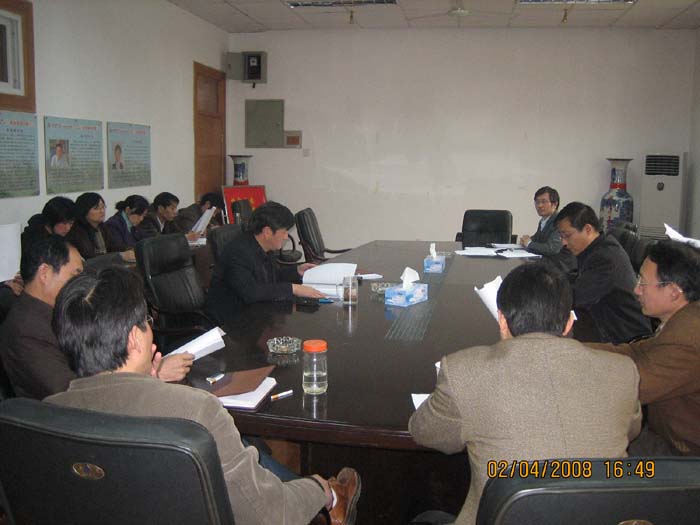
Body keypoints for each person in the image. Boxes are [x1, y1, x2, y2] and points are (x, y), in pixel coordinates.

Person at [45, 266, 361, 525]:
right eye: (146, 322)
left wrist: (147, 384)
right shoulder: (197, 412)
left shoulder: (43, 414)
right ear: (133, 340)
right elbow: (269, 515)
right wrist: (319, 488)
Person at [409, 262, 641, 525]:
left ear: (502, 320)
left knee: (426, 517)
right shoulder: (623, 371)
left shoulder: (463, 371)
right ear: (568, 323)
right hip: (603, 516)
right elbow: (631, 430)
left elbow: (425, 433)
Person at [0, 236, 192, 400]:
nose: (81, 283)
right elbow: (71, 395)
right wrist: (152, 374)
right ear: (45, 273)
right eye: (75, 274)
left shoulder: (55, 312)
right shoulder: (25, 331)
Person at [586, 240, 700, 456]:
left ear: (674, 292)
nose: (636, 289)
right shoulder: (684, 319)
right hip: (666, 436)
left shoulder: (687, 339)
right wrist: (570, 349)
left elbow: (631, 388)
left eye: (643, 282)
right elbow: (635, 352)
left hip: (684, 455)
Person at [205, 201, 324, 323]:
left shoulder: (263, 246)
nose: (286, 237)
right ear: (267, 232)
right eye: (284, 231)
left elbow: (272, 277)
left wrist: (297, 271)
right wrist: (293, 289)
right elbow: (250, 292)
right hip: (231, 320)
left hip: (255, 311)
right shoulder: (239, 252)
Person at [555, 201, 651, 344]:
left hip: (623, 337)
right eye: (561, 236)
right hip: (603, 323)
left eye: (567, 235)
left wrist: (545, 290)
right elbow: (579, 279)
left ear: (587, 229)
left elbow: (575, 297)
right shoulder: (598, 247)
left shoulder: (605, 258)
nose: (563, 242)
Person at [66, 192, 135, 263]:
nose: (102, 211)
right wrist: (120, 256)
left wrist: (129, 250)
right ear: (84, 211)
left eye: (103, 207)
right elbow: (90, 258)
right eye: (96, 208)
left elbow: (115, 247)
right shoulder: (77, 233)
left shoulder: (102, 227)